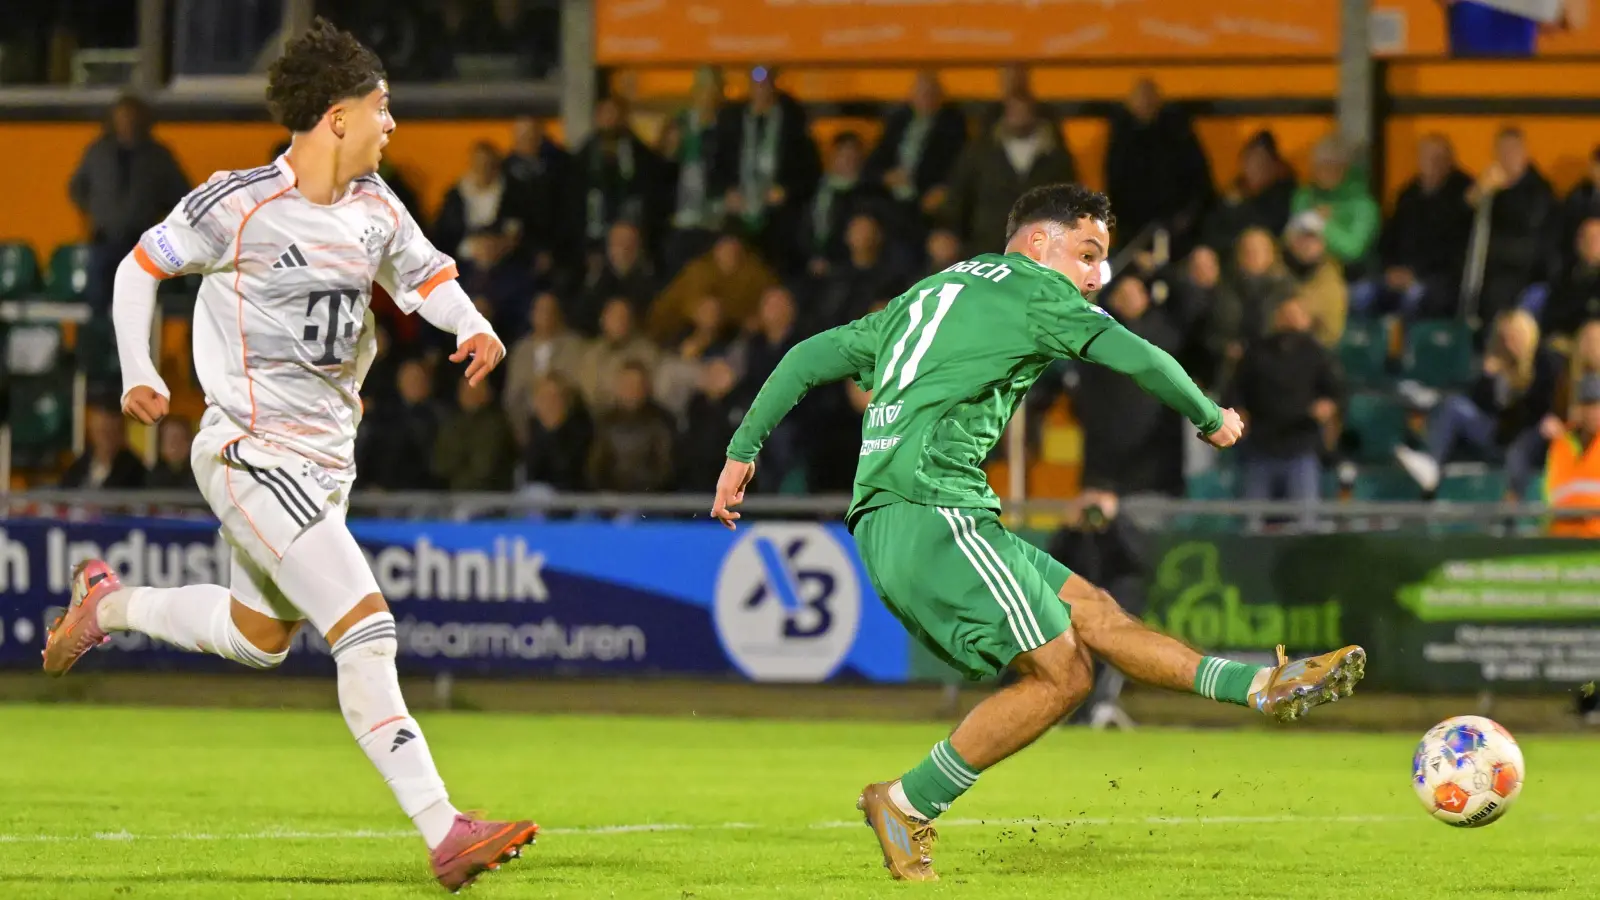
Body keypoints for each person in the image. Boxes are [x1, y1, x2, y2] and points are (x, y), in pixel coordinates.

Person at [710, 184, 1366, 881]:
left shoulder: (927, 296)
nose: (1094, 277)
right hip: (933, 512)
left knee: (1096, 614)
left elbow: (808, 357)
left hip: (910, 514)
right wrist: (1211, 417)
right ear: (1036, 244)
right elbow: (1141, 357)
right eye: (1087, 255)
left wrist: (740, 451)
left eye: (1101, 263)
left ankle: (1261, 686)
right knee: (1064, 674)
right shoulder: (1033, 291)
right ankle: (906, 802)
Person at [42, 20, 536, 892]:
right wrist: (137, 372)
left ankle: (106, 608)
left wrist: (477, 325)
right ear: (338, 116)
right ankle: (445, 828)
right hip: (246, 451)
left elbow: (427, 279)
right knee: (367, 627)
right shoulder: (238, 204)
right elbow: (135, 269)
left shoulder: (377, 206)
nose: (394, 124)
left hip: (324, 467)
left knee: (259, 637)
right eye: (383, 109)